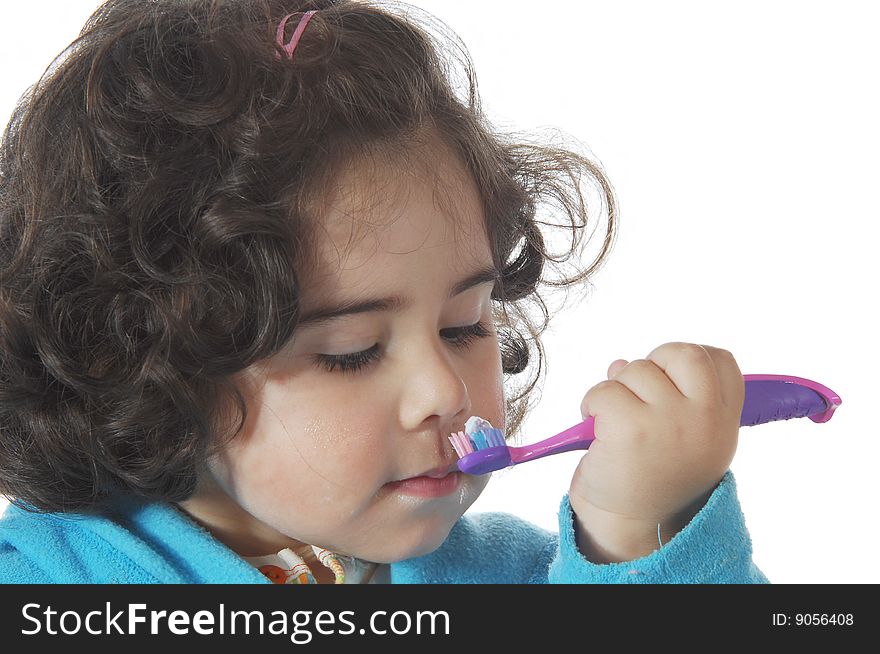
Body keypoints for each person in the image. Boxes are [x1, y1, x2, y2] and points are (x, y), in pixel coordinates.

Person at [0, 0, 766, 583]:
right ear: (148, 371)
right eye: (352, 353)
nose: (444, 389)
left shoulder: (521, 577)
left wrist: (638, 538)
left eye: (465, 325)